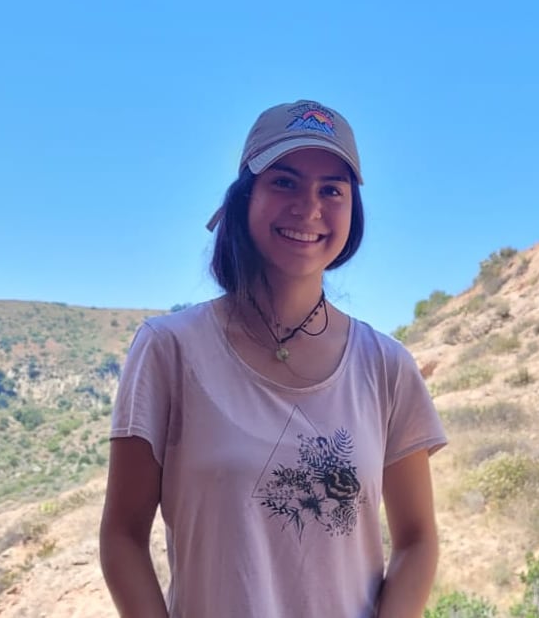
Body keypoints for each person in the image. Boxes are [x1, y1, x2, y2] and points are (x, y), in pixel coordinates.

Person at [99, 100, 447, 617]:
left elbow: (417, 539)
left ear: (353, 210)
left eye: (332, 189)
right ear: (244, 199)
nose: (309, 208)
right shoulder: (169, 350)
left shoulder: (386, 367)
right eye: (284, 182)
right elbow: (123, 535)